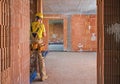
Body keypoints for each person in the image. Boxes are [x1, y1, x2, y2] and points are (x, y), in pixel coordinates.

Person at [30, 12, 48, 81]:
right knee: (41, 60)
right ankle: (43, 76)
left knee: (33, 59)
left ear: (35, 18)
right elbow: (44, 35)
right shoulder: (41, 25)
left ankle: (33, 74)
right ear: (40, 19)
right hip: (39, 43)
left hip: (32, 44)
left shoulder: (31, 25)